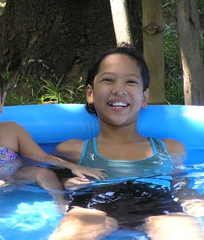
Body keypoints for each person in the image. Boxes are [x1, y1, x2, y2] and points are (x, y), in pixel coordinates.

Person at [0, 54, 106, 237]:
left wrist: (72, 166)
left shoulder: (12, 132)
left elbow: (42, 157)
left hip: (15, 175)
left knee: (44, 173)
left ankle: (62, 205)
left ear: (1, 102)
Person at [49, 43, 204, 240]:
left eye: (130, 82)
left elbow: (180, 185)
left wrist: (192, 201)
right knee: (75, 228)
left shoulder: (170, 149)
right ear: (90, 93)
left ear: (144, 97)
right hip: (93, 203)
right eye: (108, 80)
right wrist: (65, 181)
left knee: (183, 227)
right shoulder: (74, 150)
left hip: (158, 203)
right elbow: (52, 175)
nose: (118, 89)